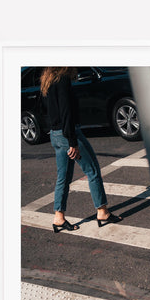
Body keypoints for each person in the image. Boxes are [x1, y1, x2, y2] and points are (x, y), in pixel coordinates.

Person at [40, 67, 122, 233]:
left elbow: (46, 110)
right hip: (67, 134)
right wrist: (72, 141)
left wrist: (59, 134)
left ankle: (59, 217)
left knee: (63, 177)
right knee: (92, 170)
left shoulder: (47, 81)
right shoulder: (62, 79)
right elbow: (66, 111)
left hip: (55, 134)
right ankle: (102, 212)